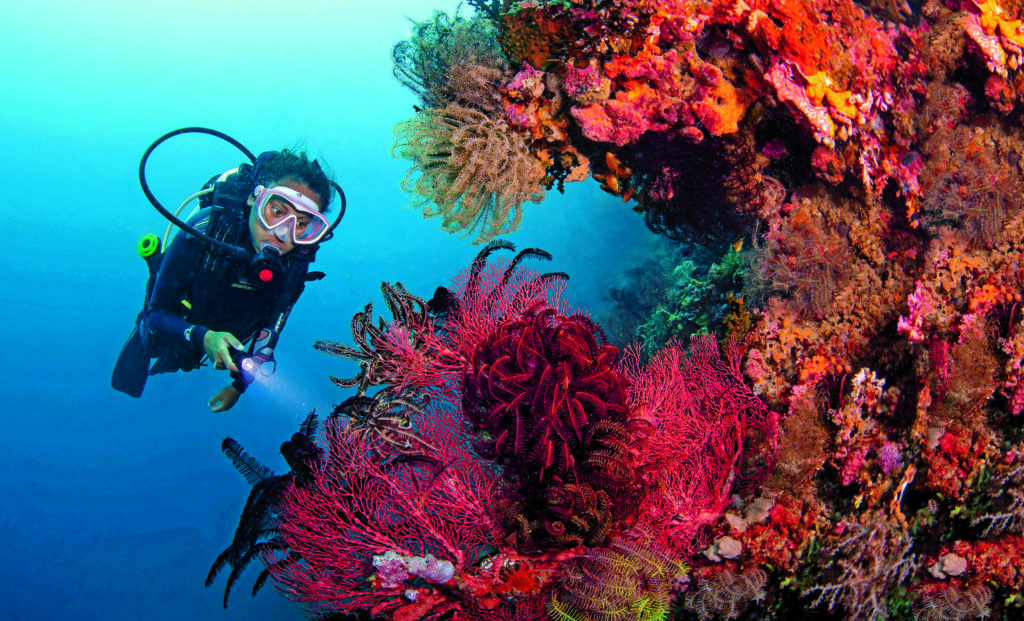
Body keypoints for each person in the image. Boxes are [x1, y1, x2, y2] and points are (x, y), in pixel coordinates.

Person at [112, 149, 340, 411]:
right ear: (255, 199)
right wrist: (204, 337)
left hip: (220, 334)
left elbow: (271, 330)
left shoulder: (297, 258)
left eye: (301, 224)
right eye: (276, 210)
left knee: (184, 361)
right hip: (176, 322)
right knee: (152, 341)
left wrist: (239, 387)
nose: (283, 233)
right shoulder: (207, 228)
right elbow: (157, 313)